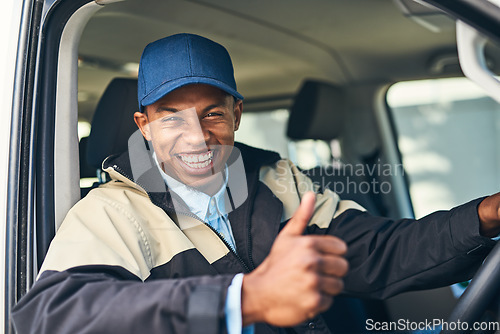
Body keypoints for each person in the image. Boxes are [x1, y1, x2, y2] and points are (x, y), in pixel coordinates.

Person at [11, 33, 500, 334]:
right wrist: (243, 300)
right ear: (143, 125)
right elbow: (51, 316)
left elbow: (376, 252)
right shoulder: (111, 212)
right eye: (171, 119)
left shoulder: (277, 179)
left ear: (237, 115)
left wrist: (483, 217)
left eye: (212, 114)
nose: (197, 137)